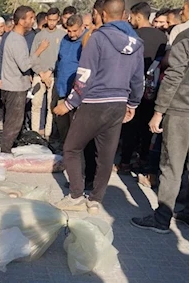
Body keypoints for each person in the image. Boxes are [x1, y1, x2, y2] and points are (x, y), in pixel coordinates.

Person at [53, 0, 144, 214]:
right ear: (123, 14)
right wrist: (133, 103)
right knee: (105, 155)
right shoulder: (137, 43)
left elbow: (84, 75)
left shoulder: (98, 38)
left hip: (95, 102)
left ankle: (76, 196)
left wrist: (69, 103)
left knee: (71, 148)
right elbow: (138, 79)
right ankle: (95, 200)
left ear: (101, 14)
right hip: (118, 104)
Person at [131, 28, 189, 233]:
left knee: (171, 166)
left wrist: (159, 111)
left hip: (181, 109)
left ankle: (161, 219)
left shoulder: (186, 37)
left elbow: (174, 75)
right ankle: (186, 211)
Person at [118, 2, 167, 174]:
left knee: (130, 125)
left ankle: (124, 162)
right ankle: (143, 159)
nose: (131, 20)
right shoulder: (162, 37)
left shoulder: (132, 35)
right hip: (153, 90)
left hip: (132, 87)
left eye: (132, 17)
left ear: (138, 16)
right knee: (147, 126)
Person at [0, 6, 48, 153]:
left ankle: (7, 149)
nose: (33, 21)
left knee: (13, 122)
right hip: (15, 88)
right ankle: (5, 152)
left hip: (15, 85)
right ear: (21, 21)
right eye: (30, 18)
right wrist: (39, 50)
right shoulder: (15, 40)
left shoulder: (16, 38)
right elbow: (24, 64)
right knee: (13, 123)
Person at [30, 8, 65, 139]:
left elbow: (61, 57)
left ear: (58, 19)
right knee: (36, 105)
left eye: (54, 20)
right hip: (39, 75)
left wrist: (50, 71)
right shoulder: (39, 35)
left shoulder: (62, 36)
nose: (51, 23)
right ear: (46, 19)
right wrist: (40, 73)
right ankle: (34, 134)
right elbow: (33, 56)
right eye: (49, 20)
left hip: (53, 75)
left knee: (51, 107)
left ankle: (48, 134)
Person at [54, 14, 86, 146]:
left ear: (82, 27)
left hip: (77, 89)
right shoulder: (65, 39)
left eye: (74, 31)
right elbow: (60, 60)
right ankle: (64, 145)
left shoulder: (87, 41)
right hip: (62, 86)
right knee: (62, 121)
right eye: (69, 30)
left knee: (76, 122)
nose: (71, 34)